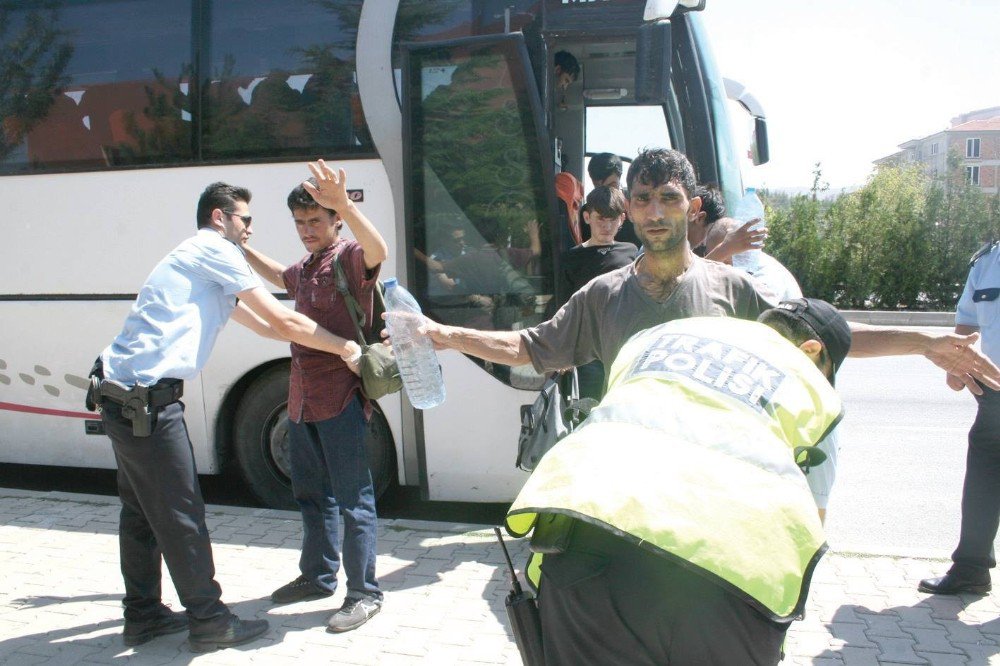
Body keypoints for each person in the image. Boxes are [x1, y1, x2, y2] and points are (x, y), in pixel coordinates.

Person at [404, 148, 998, 395]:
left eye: (667, 199)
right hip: (631, 487)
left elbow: (823, 339)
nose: (655, 212)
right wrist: (443, 334)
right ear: (628, 208)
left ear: (691, 208)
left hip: (711, 492)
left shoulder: (733, 289)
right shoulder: (602, 296)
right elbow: (529, 347)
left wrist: (924, 342)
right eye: (643, 200)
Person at [91, 163, 365, 652]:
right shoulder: (214, 249)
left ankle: (145, 615)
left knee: (139, 515)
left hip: (120, 395)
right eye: (245, 220)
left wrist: (312, 342)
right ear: (220, 218)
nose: (250, 228)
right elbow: (283, 319)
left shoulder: (199, 258)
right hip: (145, 404)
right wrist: (345, 347)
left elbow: (265, 327)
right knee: (181, 515)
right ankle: (210, 621)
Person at [506, 299, 852, 665]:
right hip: (725, 582)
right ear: (812, 350)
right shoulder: (805, 378)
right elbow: (815, 507)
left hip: (587, 542)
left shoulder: (667, 335)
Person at [241, 164, 389, 632]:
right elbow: (279, 275)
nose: (307, 232)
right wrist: (240, 248)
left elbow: (378, 250)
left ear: (335, 222)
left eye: (316, 222)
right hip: (302, 399)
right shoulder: (306, 268)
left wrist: (346, 203)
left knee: (353, 499)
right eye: (300, 224)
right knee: (310, 495)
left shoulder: (348, 258)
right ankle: (318, 576)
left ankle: (364, 593)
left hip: (341, 398)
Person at [920, 239, 1000, 596]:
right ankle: (971, 568)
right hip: (993, 390)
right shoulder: (988, 259)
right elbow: (968, 317)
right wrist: (956, 361)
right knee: (983, 477)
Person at [560, 186, 638, 399]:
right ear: (587, 217)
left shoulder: (631, 251)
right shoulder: (571, 258)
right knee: (589, 408)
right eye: (601, 219)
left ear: (622, 219)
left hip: (626, 346)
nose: (606, 226)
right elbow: (563, 307)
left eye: (612, 219)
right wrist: (563, 350)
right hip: (589, 350)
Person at [586, 152, 642, 248]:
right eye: (599, 188)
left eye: (611, 186)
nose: (606, 193)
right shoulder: (589, 211)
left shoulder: (636, 203)